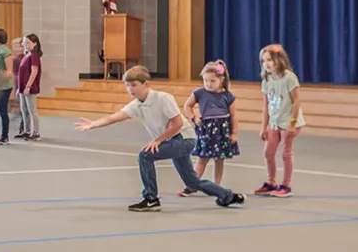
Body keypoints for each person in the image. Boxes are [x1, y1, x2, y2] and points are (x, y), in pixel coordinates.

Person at [75, 65, 245, 213]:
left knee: (145, 155)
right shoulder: (136, 105)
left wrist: (158, 140)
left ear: (146, 84)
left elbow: (178, 124)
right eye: (127, 86)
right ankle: (227, 196)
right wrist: (94, 124)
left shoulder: (163, 98)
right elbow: (114, 117)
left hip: (184, 139)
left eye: (134, 85)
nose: (130, 89)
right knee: (192, 181)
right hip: (173, 140)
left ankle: (151, 198)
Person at [180, 60, 238, 195]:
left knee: (219, 159)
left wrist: (234, 133)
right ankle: (193, 184)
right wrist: (194, 117)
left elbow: (234, 116)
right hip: (206, 130)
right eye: (205, 81)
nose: (208, 84)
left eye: (212, 81)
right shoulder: (200, 93)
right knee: (202, 158)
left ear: (221, 80)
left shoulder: (227, 96)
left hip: (222, 131)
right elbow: (187, 106)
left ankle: (217, 186)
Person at [257, 43, 304, 198]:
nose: (267, 64)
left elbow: (296, 101)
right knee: (268, 152)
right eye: (264, 61)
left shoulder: (289, 78)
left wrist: (292, 123)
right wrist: (264, 127)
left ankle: (286, 185)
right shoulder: (266, 80)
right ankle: (271, 182)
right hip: (274, 122)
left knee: (286, 153)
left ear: (279, 60)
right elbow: (266, 105)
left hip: (288, 121)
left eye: (270, 60)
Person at [15, 33, 43, 141]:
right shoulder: (26, 55)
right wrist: (19, 87)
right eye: (24, 43)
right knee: (24, 109)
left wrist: (28, 86)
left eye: (28, 43)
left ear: (35, 43)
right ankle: (26, 131)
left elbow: (34, 72)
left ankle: (36, 132)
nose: (25, 45)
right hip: (22, 86)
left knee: (32, 110)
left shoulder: (34, 56)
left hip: (29, 87)